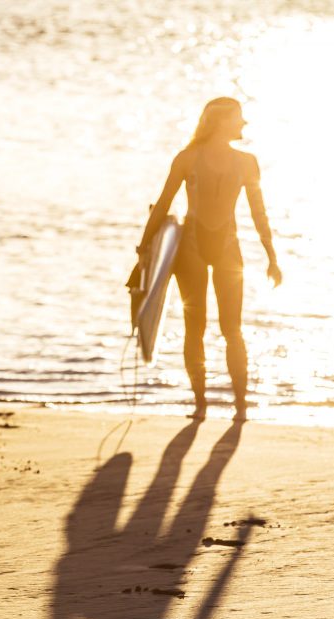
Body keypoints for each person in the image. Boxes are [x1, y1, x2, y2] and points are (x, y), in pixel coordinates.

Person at [138, 97, 281, 421]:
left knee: (233, 329)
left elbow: (259, 213)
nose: (244, 124)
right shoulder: (187, 158)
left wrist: (272, 256)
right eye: (238, 118)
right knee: (196, 327)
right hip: (191, 248)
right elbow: (162, 205)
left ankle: (240, 407)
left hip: (228, 247)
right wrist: (143, 250)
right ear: (219, 122)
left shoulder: (248, 162)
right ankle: (200, 405)